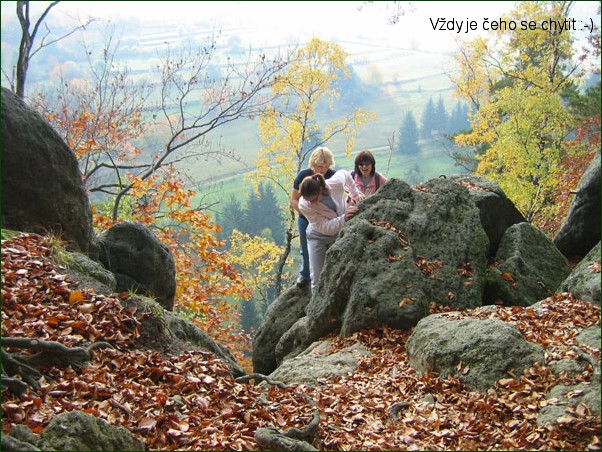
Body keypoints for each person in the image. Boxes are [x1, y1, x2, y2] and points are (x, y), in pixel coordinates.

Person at [298, 170, 365, 292]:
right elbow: (324, 227)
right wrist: (344, 218)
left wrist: (354, 193)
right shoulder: (304, 204)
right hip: (318, 237)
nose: (311, 203)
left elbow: (346, 174)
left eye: (313, 200)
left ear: (320, 190)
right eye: (307, 200)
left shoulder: (335, 183)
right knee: (317, 277)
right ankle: (316, 307)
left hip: (340, 231)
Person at [291, 147, 336, 287]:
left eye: (326, 166)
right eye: (319, 166)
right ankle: (305, 275)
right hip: (305, 220)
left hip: (328, 220)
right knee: (305, 248)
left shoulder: (333, 176)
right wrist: (307, 214)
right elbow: (294, 200)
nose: (323, 169)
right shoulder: (303, 175)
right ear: (313, 163)